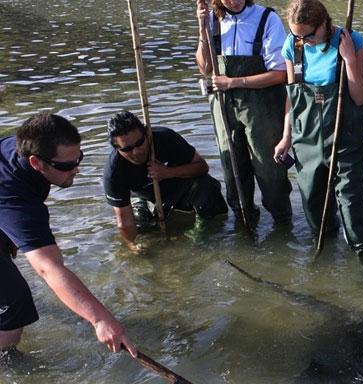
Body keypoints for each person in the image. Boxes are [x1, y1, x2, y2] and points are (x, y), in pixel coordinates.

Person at [0, 113, 136, 356]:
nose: (77, 170)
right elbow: (48, 268)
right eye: (66, 165)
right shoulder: (16, 197)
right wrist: (100, 319)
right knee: (16, 302)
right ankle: (8, 364)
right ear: (35, 162)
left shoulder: (20, 149)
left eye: (78, 159)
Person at [273, 0, 363, 255]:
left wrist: (349, 60)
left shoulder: (351, 40)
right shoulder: (293, 45)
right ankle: (326, 257)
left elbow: (361, 96)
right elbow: (292, 96)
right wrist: (286, 137)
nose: (301, 41)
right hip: (306, 139)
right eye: (296, 35)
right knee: (313, 207)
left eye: (307, 35)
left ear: (323, 24)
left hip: (345, 138)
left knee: (352, 206)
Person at [195, 0, 292, 225]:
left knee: (270, 169)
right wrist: (202, 27)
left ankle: (282, 225)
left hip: (263, 106)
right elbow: (205, 68)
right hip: (223, 106)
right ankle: (244, 222)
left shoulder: (267, 19)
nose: (234, 1)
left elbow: (280, 74)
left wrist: (233, 82)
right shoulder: (211, 20)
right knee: (233, 170)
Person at [102, 111, 228, 246]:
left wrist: (168, 172)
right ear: (117, 149)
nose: (137, 151)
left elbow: (202, 167)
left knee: (207, 187)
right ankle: (141, 206)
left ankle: (201, 240)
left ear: (146, 134)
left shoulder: (166, 138)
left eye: (140, 143)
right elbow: (124, 222)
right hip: (146, 197)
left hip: (178, 188)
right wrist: (132, 246)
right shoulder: (114, 172)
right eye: (128, 149)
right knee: (143, 231)